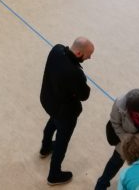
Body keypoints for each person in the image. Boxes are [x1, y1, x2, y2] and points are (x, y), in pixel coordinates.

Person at [39, 37, 94, 186]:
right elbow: (84, 95)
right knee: (62, 142)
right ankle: (54, 175)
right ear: (78, 53)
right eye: (88, 55)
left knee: (52, 121)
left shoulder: (56, 49)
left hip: (48, 100)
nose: (90, 57)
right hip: (65, 113)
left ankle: (45, 147)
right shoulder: (75, 73)